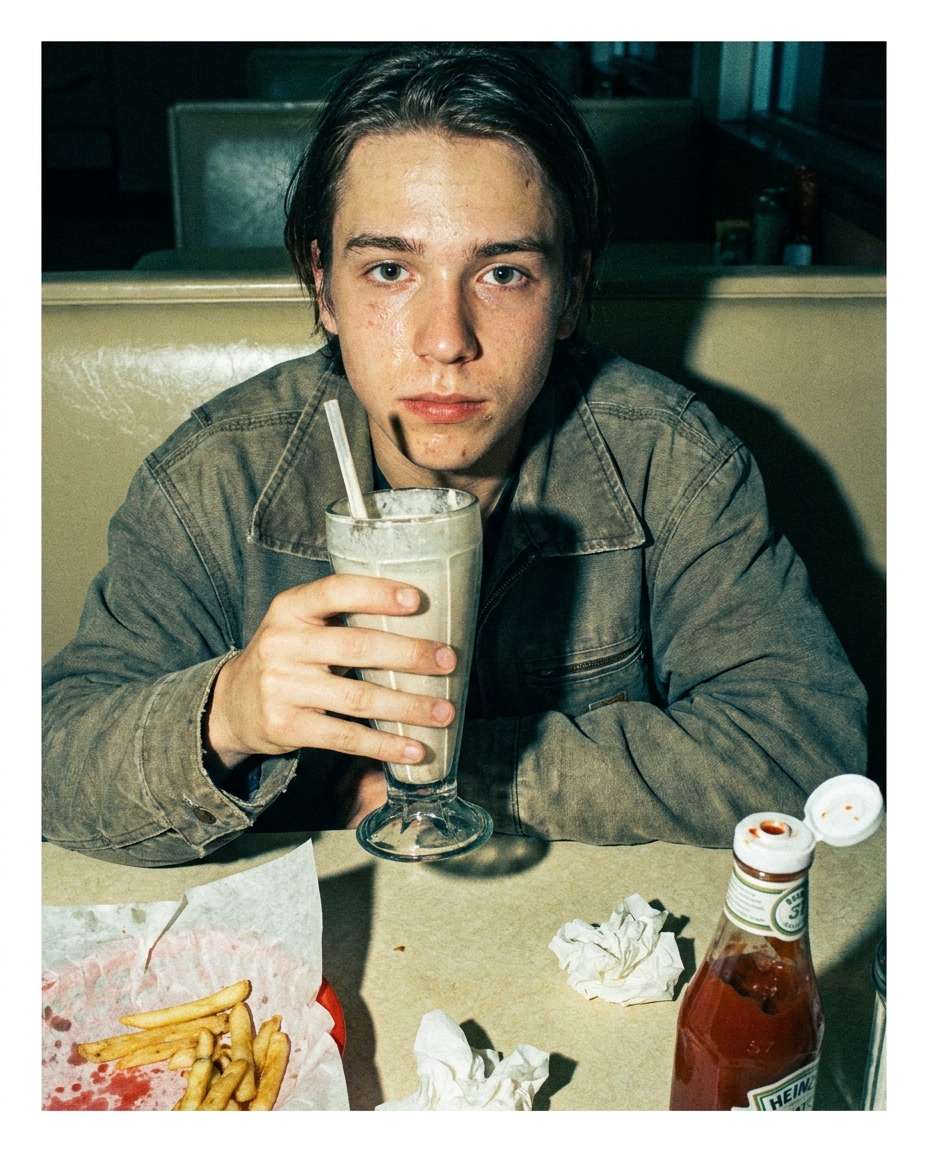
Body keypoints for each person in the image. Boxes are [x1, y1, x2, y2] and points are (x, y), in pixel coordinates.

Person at [42, 44, 867, 867]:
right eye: (391, 269)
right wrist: (225, 713)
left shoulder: (668, 459)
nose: (446, 340)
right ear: (323, 286)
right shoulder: (218, 476)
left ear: (573, 292)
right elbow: (51, 768)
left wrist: (466, 775)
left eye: (504, 273)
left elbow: (809, 748)